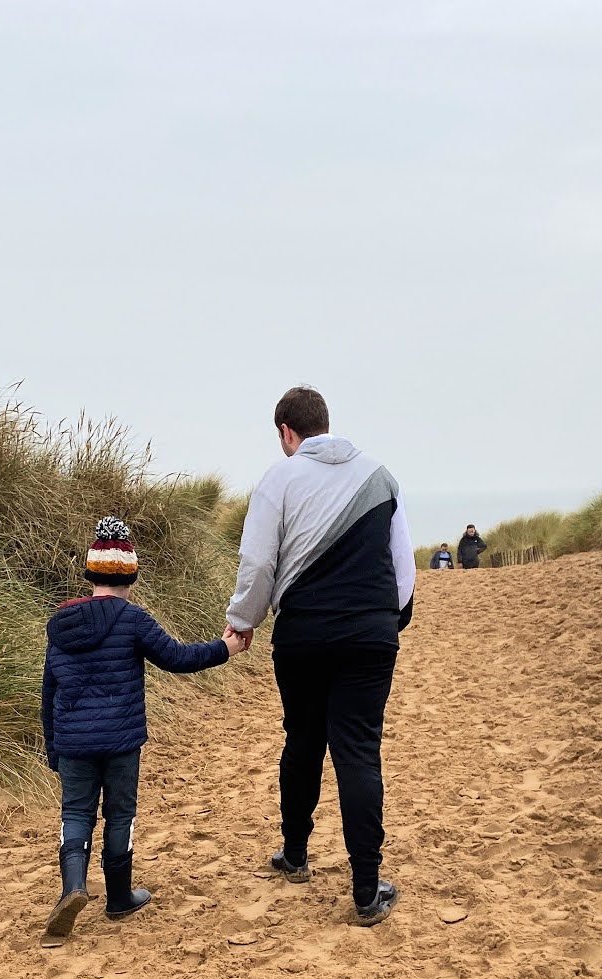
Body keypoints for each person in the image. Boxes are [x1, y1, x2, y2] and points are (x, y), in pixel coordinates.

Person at [225, 386, 414, 926]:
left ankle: (297, 855)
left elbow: (258, 562)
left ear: (288, 431)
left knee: (303, 739)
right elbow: (403, 565)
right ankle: (366, 890)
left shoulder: (278, 477)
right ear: (326, 423)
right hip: (371, 636)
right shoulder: (380, 476)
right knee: (358, 751)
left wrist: (244, 620)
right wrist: (390, 618)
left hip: (304, 635)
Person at [40, 516, 247, 947]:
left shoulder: (61, 625)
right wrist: (225, 648)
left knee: (76, 814)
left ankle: (71, 889)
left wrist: (52, 748)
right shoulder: (132, 619)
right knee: (120, 815)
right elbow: (178, 658)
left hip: (73, 741)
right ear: (131, 574)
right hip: (120, 740)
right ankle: (118, 897)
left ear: (89, 573)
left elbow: (48, 691)